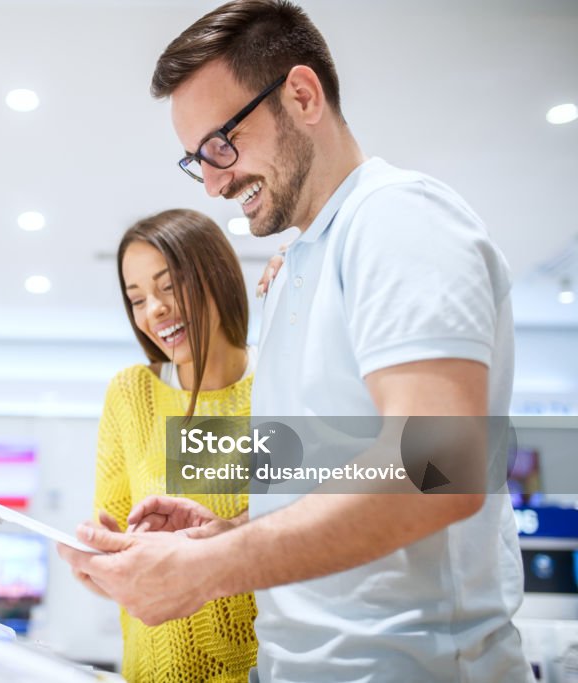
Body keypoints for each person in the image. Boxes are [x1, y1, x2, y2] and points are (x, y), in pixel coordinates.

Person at [57, 1, 532, 682]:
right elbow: (336, 479)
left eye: (221, 144)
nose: (216, 181)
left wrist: (207, 569)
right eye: (198, 160)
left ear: (302, 95)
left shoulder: (397, 219)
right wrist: (223, 531)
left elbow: (440, 468)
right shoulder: (297, 271)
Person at [83, 208, 259, 682]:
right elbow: (125, 555)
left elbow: (314, 524)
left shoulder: (275, 386)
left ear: (215, 274)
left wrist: (225, 537)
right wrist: (97, 562)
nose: (154, 310)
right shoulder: (132, 394)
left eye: (168, 285)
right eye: (136, 298)